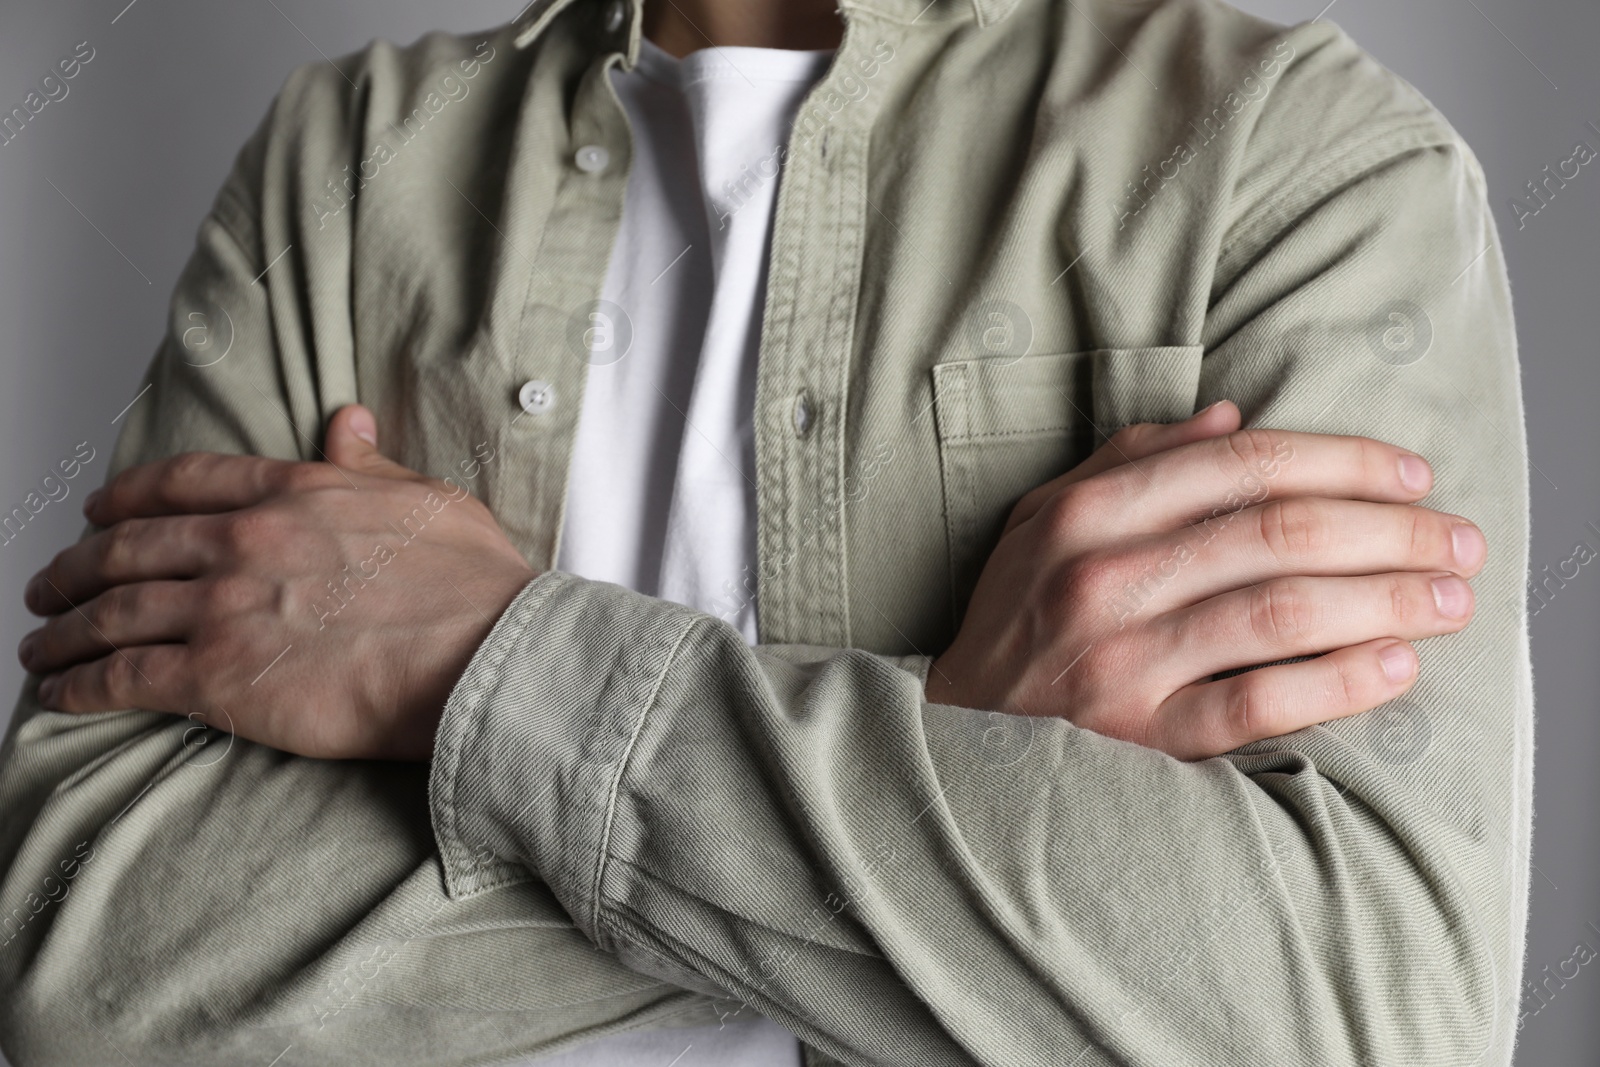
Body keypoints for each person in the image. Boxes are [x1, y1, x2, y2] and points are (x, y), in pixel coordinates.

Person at [0, 0, 1531, 1064]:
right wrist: (942, 750)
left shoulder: (1297, 162)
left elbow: (1352, 1020)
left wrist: (479, 661)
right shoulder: (340, 164)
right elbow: (88, 962)